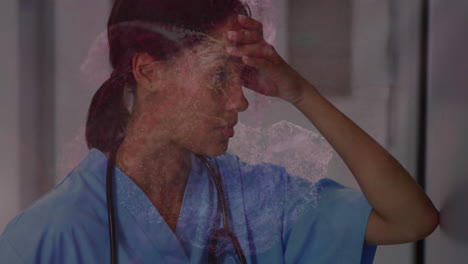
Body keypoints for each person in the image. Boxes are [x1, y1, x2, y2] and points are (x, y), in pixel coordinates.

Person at [0, 0, 439, 263]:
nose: (241, 100)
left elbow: (410, 218)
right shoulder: (47, 237)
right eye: (218, 77)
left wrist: (302, 93)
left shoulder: (258, 201)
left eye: (241, 76)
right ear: (148, 70)